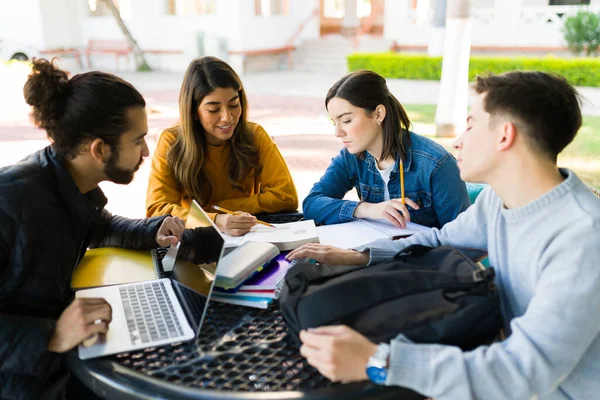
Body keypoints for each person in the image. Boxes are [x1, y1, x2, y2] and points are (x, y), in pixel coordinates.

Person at [287, 71, 600, 399]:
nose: (457, 140)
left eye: (470, 124)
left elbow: (521, 371)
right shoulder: (500, 199)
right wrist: (362, 255)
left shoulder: (581, 239)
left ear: (504, 136)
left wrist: (378, 361)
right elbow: (439, 240)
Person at [0, 58, 221, 400]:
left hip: (55, 362)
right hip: (25, 382)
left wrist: (153, 230)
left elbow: (101, 226)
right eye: (138, 140)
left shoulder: (67, 183)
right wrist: (51, 336)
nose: (147, 151)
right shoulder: (12, 199)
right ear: (100, 149)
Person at [146, 56, 299, 236]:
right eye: (213, 109)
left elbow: (285, 197)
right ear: (193, 111)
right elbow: (156, 210)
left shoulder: (255, 136)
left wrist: (219, 210)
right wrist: (216, 220)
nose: (227, 117)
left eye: (234, 105)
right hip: (195, 239)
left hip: (246, 236)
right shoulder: (171, 141)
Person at [302, 70, 470, 229]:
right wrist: (368, 209)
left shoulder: (437, 165)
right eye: (334, 122)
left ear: (378, 114)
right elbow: (312, 204)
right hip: (375, 255)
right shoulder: (350, 157)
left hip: (425, 258)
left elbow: (463, 241)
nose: (337, 132)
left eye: (346, 120)